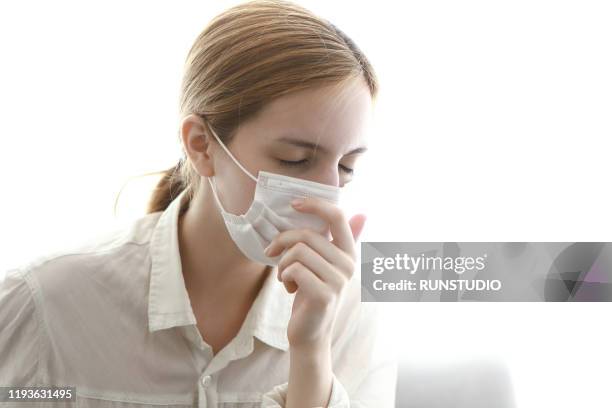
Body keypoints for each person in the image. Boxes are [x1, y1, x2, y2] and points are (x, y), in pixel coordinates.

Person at [0, 0, 398, 407]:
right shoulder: (45, 305)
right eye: (295, 160)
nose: (326, 194)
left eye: (347, 167)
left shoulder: (351, 319)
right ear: (201, 145)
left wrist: (312, 355)